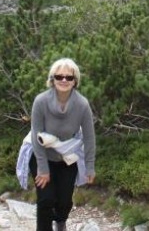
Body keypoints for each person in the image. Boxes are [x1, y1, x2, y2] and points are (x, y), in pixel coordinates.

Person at [30, 58, 96, 231]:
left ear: (75, 81)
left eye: (69, 77)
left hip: (67, 159)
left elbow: (89, 137)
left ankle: (60, 221)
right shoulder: (40, 101)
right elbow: (35, 137)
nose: (64, 80)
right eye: (59, 77)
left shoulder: (82, 104)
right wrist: (43, 169)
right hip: (41, 156)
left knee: (64, 201)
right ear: (52, 79)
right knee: (45, 200)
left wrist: (90, 167)